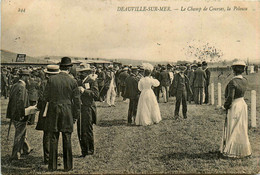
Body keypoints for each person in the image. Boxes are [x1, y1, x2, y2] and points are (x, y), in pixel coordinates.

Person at [44, 57, 81, 171]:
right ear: (69, 68)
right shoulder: (73, 81)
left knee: (53, 138)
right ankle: (68, 166)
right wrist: (75, 116)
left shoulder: (52, 80)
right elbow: (77, 101)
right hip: (67, 111)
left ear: (60, 67)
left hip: (54, 111)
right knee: (67, 138)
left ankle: (52, 166)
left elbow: (45, 97)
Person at [220, 60, 252, 158]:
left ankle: (231, 150)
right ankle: (243, 150)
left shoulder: (233, 81)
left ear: (233, 70)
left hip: (235, 105)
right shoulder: (245, 80)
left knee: (233, 127)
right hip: (242, 104)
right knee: (241, 127)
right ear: (242, 70)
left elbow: (230, 97)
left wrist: (224, 106)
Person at [6, 69, 34, 161]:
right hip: (20, 114)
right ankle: (15, 154)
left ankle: (26, 149)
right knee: (19, 134)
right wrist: (22, 114)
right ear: (23, 77)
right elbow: (20, 102)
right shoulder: (21, 87)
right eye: (27, 76)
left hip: (14, 114)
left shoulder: (15, 85)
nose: (28, 78)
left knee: (22, 132)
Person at [36, 65, 60, 164]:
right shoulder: (57, 83)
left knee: (48, 134)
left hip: (47, 111)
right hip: (55, 111)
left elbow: (41, 98)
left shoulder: (45, 83)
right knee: (53, 134)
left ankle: (49, 156)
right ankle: (51, 156)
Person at [77, 64, 99, 157]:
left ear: (86, 73)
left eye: (82, 72)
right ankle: (84, 150)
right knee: (80, 129)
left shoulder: (92, 81)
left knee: (88, 129)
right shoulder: (79, 81)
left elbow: (96, 94)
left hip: (88, 108)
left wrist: (84, 91)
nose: (80, 74)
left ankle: (90, 149)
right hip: (81, 108)